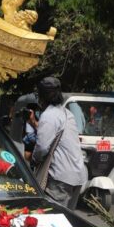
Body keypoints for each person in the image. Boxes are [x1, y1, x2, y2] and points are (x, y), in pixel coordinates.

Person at [32, 77, 87, 208]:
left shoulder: (49, 115)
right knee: (67, 220)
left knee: (53, 221)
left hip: (60, 178)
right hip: (77, 176)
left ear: (41, 96)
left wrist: (33, 160)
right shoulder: (66, 113)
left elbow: (42, 148)